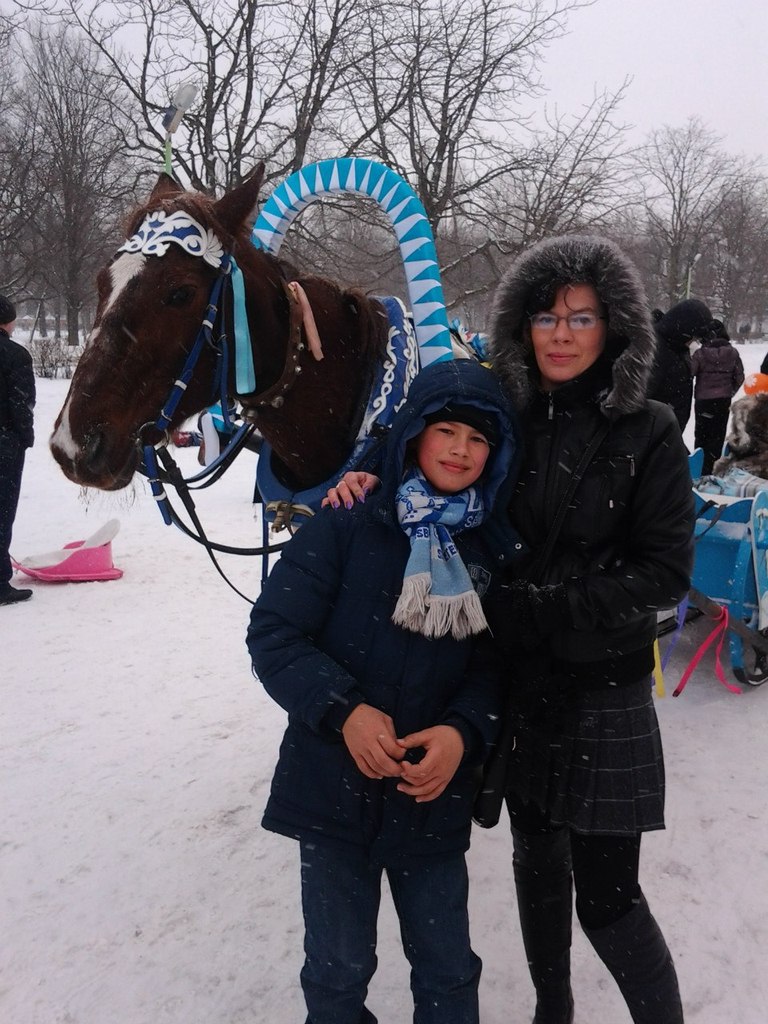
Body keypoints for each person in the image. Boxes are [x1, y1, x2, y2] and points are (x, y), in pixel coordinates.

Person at [332, 236, 695, 1024]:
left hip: (605, 692)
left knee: (608, 898)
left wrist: (547, 606)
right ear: (523, 326)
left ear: (613, 326)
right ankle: (551, 1011)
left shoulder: (650, 430)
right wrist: (367, 471)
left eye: (581, 317)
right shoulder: (508, 413)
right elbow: (428, 435)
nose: (561, 334)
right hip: (524, 684)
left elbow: (664, 571)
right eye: (545, 316)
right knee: (537, 867)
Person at [246, 357, 523, 1024]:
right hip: (331, 790)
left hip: (430, 797)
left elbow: (494, 667)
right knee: (337, 969)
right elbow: (275, 633)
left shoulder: (491, 550)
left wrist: (462, 732)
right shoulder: (347, 521)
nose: (460, 449)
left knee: (448, 967)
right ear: (412, 436)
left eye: (479, 438)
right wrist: (343, 711)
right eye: (446, 430)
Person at [0, 294, 36, 606]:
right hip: (5, 442)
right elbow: (21, 403)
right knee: (2, 510)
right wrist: (25, 436)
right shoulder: (15, 355)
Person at [647, 297, 713, 433]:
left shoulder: (677, 346)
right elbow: (642, 396)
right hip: (653, 433)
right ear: (685, 330)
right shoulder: (656, 349)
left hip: (667, 431)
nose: (694, 342)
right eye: (694, 337)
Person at [691, 319, 745, 475]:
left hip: (703, 401)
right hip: (723, 401)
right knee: (718, 435)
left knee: (701, 435)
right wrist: (730, 391)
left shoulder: (700, 354)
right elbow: (739, 377)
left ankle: (700, 469)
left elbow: (690, 372)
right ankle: (714, 468)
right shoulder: (733, 353)